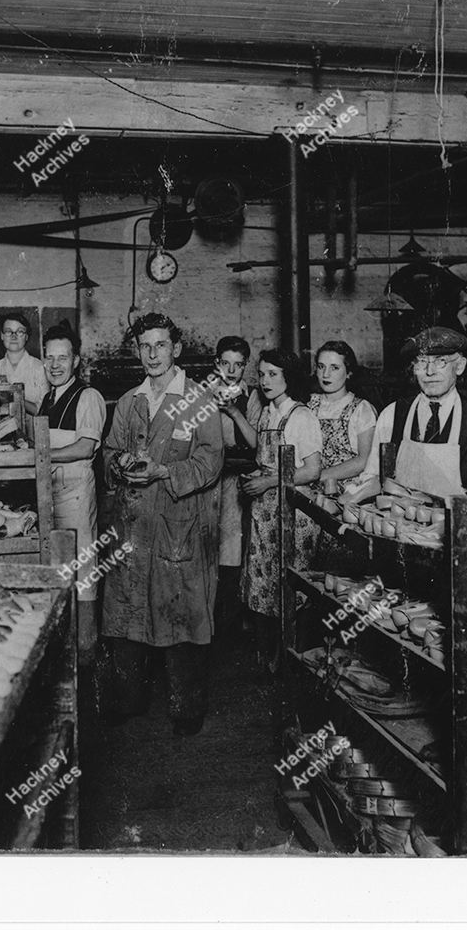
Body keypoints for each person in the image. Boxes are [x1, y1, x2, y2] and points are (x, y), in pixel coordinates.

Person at [101, 313, 223, 736]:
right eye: (145, 346)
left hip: (176, 523)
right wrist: (118, 462)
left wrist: (164, 472)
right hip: (132, 522)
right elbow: (109, 450)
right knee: (126, 610)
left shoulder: (198, 400)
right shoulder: (129, 401)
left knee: (181, 614)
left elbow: (210, 460)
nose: (152, 354)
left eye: (161, 345)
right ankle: (127, 700)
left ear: (177, 348)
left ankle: (187, 709)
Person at [352, 327, 467, 518]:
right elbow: (372, 475)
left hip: (463, 526)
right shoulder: (392, 414)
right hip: (405, 524)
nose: (430, 372)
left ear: (460, 366)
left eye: (441, 361)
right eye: (422, 362)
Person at [227, 349, 323, 672]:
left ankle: (294, 661)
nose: (265, 381)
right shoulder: (270, 411)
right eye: (262, 374)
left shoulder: (301, 416)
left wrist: (268, 480)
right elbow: (262, 449)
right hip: (266, 512)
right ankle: (272, 661)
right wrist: (235, 414)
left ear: (289, 377)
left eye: (273, 374)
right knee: (265, 585)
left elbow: (312, 470)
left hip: (293, 513)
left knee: (291, 588)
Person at [39, 323, 106, 663]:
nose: (55, 365)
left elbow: (85, 447)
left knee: (82, 572)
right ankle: (63, 656)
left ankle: (86, 654)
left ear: (76, 360)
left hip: (76, 495)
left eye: (62, 358)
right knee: (59, 572)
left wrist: (40, 456)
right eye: (49, 358)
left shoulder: (88, 396)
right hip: (49, 496)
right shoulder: (47, 399)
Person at [211, 336, 255, 634]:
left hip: (239, 479)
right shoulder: (203, 395)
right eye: (225, 364)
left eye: (238, 365)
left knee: (234, 553)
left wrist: (233, 412)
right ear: (217, 363)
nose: (231, 371)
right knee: (210, 550)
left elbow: (256, 443)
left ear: (246, 366)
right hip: (211, 478)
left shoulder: (253, 397)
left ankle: (232, 626)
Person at [308, 340, 378, 486]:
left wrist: (315, 476)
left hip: (348, 489)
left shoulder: (361, 409)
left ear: (349, 373)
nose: (325, 374)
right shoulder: (308, 405)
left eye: (334, 368)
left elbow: (364, 460)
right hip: (308, 486)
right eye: (321, 367)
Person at [0, 312, 49, 414]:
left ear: (26, 336)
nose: (14, 336)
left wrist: (12, 396)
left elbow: (44, 410)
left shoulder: (40, 368)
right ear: (2, 336)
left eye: (20, 331)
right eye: (8, 331)